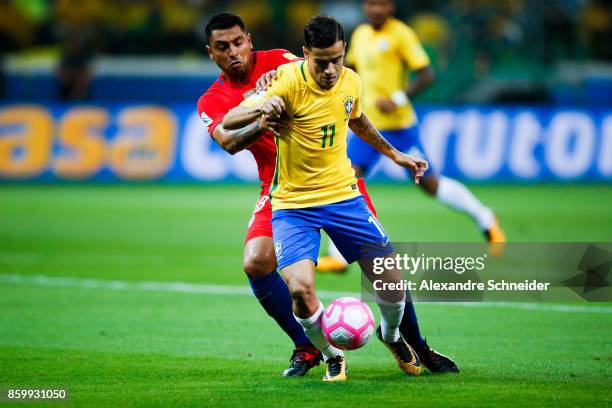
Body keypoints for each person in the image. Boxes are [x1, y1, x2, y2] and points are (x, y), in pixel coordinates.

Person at [223, 14, 434, 382]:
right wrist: (262, 108)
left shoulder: (351, 81)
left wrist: (395, 154)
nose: (331, 70)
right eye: (322, 62)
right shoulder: (285, 82)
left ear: (344, 52)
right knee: (301, 291)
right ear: (306, 54)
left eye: (337, 59)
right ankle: (330, 354)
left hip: (344, 197)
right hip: (293, 206)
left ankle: (393, 335)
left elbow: (356, 118)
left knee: (391, 282)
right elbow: (229, 121)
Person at [196, 12, 380, 377]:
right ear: (211, 53)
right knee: (256, 262)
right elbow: (228, 142)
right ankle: (308, 345)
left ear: (249, 39)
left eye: (238, 43)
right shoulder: (212, 100)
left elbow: (321, 70)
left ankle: (412, 344)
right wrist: (261, 119)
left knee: (380, 267)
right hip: (281, 189)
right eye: (222, 47)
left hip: (334, 179)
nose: (233, 52)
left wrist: (276, 81)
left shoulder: (279, 61)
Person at [317, 0, 506, 273]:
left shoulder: (401, 34)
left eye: (381, 4)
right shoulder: (361, 35)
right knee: (344, 181)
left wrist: (397, 98)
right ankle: (338, 254)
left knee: (429, 184)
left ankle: (486, 218)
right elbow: (352, 72)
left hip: (399, 126)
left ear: (391, 6)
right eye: (371, 4)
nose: (375, 9)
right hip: (366, 124)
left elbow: (427, 73)